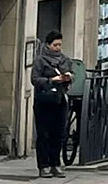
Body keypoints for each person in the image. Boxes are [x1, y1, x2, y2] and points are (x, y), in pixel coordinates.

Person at [31, 29, 73, 178]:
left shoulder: (64, 59)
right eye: (55, 45)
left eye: (60, 45)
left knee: (59, 133)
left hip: (60, 100)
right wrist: (51, 80)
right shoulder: (40, 61)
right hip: (44, 100)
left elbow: (70, 72)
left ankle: (55, 163)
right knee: (44, 134)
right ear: (48, 45)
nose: (58, 48)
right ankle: (44, 165)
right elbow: (35, 79)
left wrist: (68, 76)